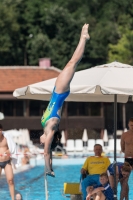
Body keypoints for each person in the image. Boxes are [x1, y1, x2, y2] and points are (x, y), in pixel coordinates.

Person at [40, 24, 90, 177]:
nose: (40, 142)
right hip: (59, 93)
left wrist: (51, 168)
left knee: (72, 63)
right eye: (42, 143)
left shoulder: (47, 128)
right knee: (72, 62)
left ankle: (83, 38)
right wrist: (48, 169)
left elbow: (49, 153)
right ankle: (83, 38)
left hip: (57, 91)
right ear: (50, 140)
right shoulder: (51, 129)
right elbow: (47, 153)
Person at [0, 124, 15, 200]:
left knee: (10, 180)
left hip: (7, 161)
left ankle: (13, 199)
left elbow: (12, 148)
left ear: (1, 130)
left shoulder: (6, 137)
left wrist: (7, 151)